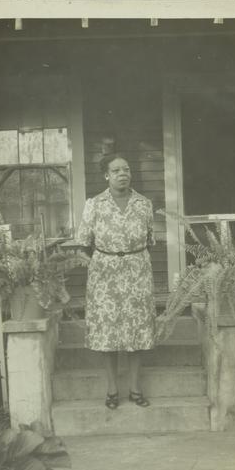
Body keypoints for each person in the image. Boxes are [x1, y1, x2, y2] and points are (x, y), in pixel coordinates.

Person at [75, 153, 156, 410]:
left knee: (137, 330)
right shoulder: (95, 204)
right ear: (106, 175)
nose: (123, 174)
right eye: (117, 170)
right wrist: (97, 265)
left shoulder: (144, 204)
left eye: (126, 169)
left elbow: (150, 241)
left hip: (137, 272)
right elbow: (81, 244)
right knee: (106, 333)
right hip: (104, 275)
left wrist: (135, 263)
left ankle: (134, 388)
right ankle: (112, 389)